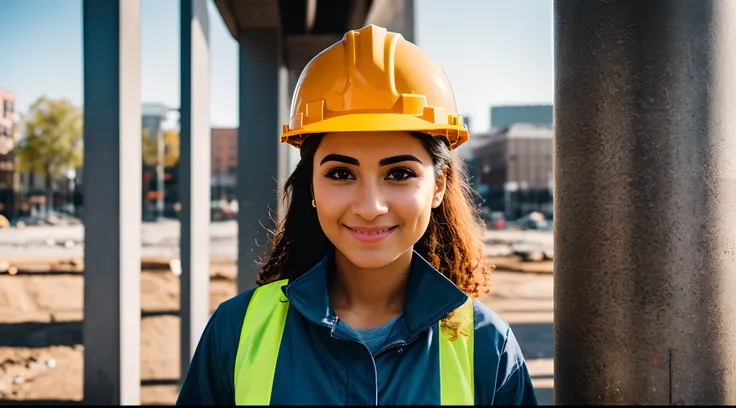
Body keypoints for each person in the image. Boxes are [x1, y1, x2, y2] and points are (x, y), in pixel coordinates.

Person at [176, 24, 538, 406]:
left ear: (438, 186)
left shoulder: (488, 347)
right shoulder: (235, 331)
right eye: (341, 174)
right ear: (311, 187)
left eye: (399, 174)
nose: (369, 207)